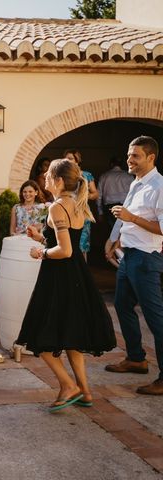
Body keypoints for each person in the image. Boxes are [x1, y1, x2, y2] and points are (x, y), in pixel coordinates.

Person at [17, 159, 116, 412]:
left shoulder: (57, 207)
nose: (45, 179)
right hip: (76, 276)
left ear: (59, 181)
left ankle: (67, 385)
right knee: (71, 335)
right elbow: (64, 237)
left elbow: (65, 250)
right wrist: (41, 237)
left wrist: (41, 253)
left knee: (40, 334)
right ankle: (85, 391)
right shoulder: (76, 204)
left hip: (59, 277)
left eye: (49, 175)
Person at [105, 136, 163, 395]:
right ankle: (137, 358)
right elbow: (123, 213)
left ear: (151, 158)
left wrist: (131, 218)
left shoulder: (160, 186)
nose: (129, 159)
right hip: (128, 256)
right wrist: (112, 238)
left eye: (136, 155)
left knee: (155, 318)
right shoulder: (136, 183)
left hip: (146, 257)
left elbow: (161, 228)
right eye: (129, 154)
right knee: (122, 305)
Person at [64, 149, 99, 261]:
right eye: (65, 158)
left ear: (77, 160)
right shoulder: (62, 175)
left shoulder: (86, 175)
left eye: (70, 158)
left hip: (82, 212)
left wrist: (83, 197)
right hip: (66, 211)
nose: (67, 160)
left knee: (82, 243)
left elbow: (95, 193)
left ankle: (82, 272)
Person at [96, 156, 134, 230]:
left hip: (110, 209)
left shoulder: (104, 176)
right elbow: (134, 194)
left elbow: (98, 195)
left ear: (111, 164)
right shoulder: (129, 176)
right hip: (126, 207)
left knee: (112, 231)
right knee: (125, 231)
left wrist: (100, 212)